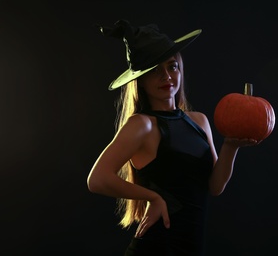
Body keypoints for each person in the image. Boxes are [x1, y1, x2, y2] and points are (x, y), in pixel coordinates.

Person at [87, 19, 260, 256]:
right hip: (157, 247)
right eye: (155, 70)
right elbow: (96, 180)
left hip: (190, 246)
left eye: (172, 67)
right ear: (141, 80)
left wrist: (231, 146)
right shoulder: (142, 125)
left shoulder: (199, 121)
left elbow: (215, 186)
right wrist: (153, 198)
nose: (166, 76)